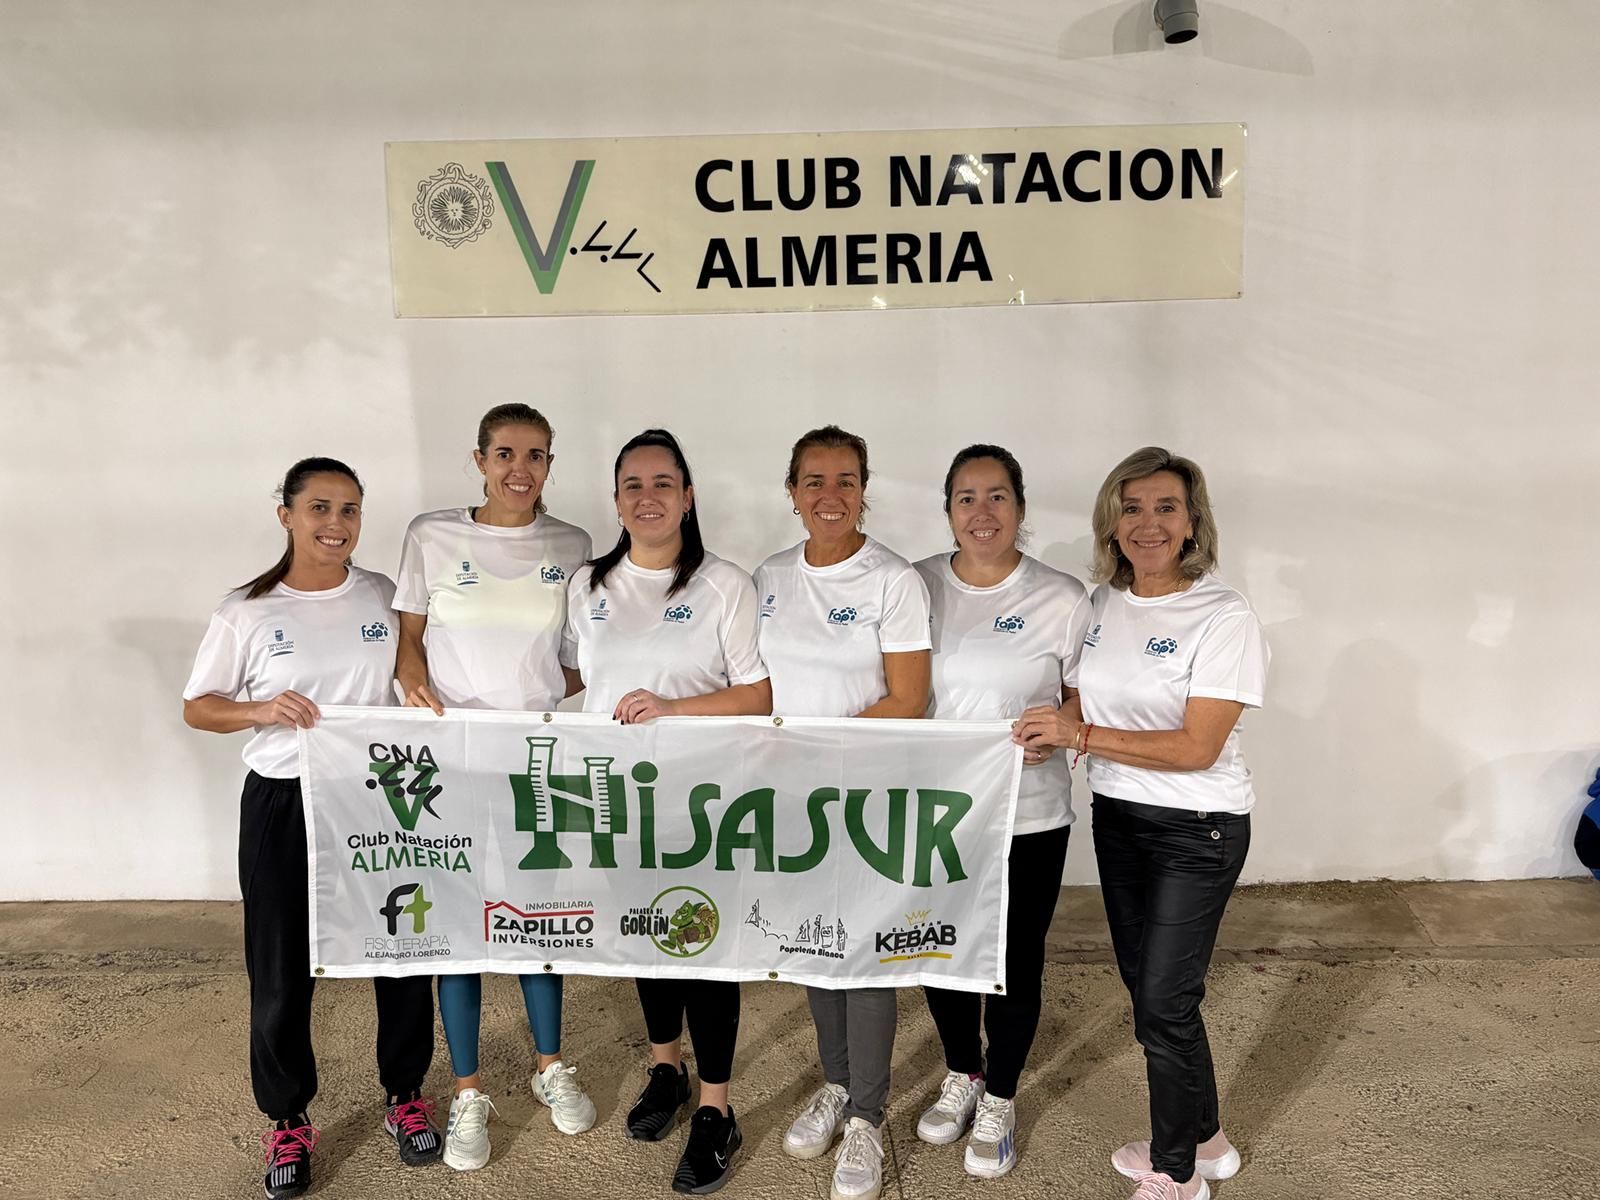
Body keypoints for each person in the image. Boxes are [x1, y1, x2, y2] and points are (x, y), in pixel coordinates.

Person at [182, 458, 442, 1200]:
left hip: (378, 799)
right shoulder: (247, 610)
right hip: (284, 800)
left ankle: (404, 1094)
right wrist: (262, 710)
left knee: (401, 947)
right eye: (321, 507)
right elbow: (199, 706)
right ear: (286, 514)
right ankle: (289, 1117)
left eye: (351, 510)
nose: (337, 524)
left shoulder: (384, 597)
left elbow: (417, 671)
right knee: (281, 966)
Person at [1014, 447, 1269, 1200]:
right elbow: (1083, 703)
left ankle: (1178, 1172)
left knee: (1164, 1003)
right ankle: (1210, 1143)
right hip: (1119, 817)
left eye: (1166, 507)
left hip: (1200, 828)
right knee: (1156, 994)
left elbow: (1197, 746)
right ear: (1112, 523)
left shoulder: (1223, 615)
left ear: (1193, 522)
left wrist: (1079, 739)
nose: (1148, 523)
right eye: (1132, 508)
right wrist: (1046, 728)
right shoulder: (1101, 606)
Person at [561, 428, 771, 1195]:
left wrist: (674, 708)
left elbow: (757, 694)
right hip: (615, 800)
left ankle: (717, 1106)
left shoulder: (724, 584)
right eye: (632, 485)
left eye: (662, 483)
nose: (647, 497)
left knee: (703, 945)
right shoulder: (587, 583)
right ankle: (666, 1071)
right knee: (646, 941)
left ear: (688, 496)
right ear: (617, 500)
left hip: (704, 799)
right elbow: (567, 678)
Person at [393, 403, 596, 1170]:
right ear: (478, 459)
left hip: (535, 762)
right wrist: (421, 699)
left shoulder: (571, 544)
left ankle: (550, 1068)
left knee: (537, 917)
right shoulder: (431, 535)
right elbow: (407, 645)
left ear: (551, 463)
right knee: (460, 924)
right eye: (506, 454)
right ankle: (469, 1091)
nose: (522, 469)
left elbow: (578, 658)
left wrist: (538, 698)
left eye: (537, 455)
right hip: (451, 765)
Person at [754, 425, 931, 1200]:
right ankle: (834, 1081)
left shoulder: (891, 580)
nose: (831, 496)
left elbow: (909, 697)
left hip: (865, 796)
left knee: (861, 951)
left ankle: (866, 1112)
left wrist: (824, 752)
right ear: (791, 493)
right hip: (787, 796)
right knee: (813, 944)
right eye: (815, 481)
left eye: (846, 480)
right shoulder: (766, 576)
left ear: (865, 489)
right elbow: (758, 688)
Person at [912, 445, 1092, 1179]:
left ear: (1020, 507)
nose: (980, 513)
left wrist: (1064, 726)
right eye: (965, 498)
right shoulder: (915, 585)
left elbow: (1088, 695)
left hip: (1030, 814)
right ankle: (965, 1071)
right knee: (940, 949)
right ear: (948, 510)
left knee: (1013, 961)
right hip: (933, 813)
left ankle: (1003, 1096)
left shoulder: (1061, 596)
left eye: (995, 497)